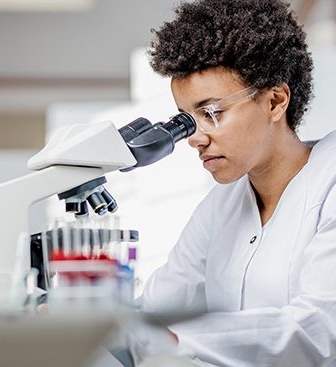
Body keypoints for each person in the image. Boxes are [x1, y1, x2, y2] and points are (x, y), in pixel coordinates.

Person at [133, 0, 336, 366]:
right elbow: (158, 306)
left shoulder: (330, 183)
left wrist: (181, 337)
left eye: (211, 112)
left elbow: (319, 329)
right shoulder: (221, 206)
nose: (195, 138)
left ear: (275, 101)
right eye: (186, 119)